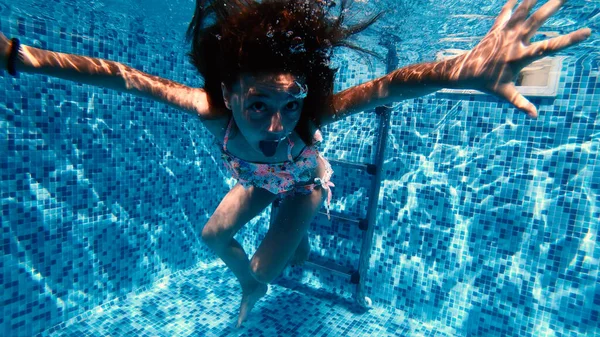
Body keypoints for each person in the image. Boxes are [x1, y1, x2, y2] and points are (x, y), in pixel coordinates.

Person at [1, 0, 591, 328]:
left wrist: (456, 69)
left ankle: (259, 282)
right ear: (229, 93)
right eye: (259, 105)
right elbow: (120, 77)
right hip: (259, 181)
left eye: (291, 104)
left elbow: (390, 85)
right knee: (213, 236)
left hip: (304, 187)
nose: (279, 124)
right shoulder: (208, 111)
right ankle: (282, 258)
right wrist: (18, 56)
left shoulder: (309, 119)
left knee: (263, 265)